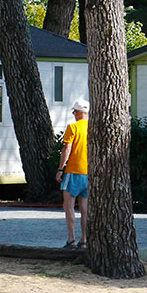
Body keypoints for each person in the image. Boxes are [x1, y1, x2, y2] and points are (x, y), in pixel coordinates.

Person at [56, 99, 89, 249]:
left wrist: (60, 168)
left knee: (68, 206)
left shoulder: (73, 127)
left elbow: (66, 149)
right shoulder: (93, 128)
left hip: (73, 171)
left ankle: (71, 239)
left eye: (74, 112)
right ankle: (84, 240)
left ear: (76, 112)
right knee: (85, 208)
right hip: (89, 173)